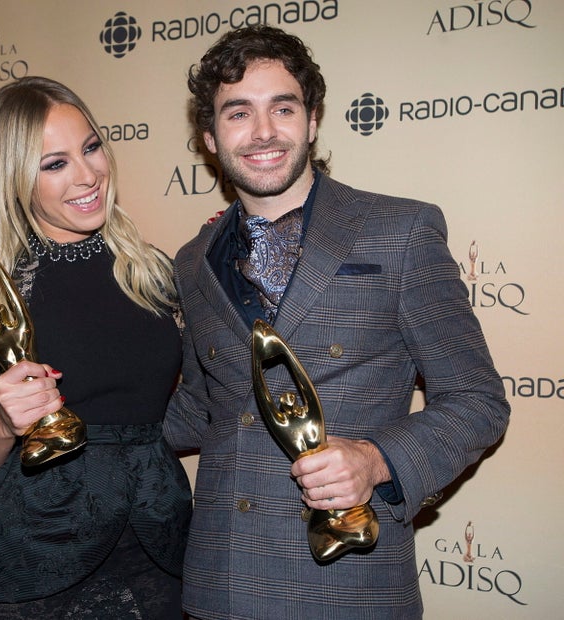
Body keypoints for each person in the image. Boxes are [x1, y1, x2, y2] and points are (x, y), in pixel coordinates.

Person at [163, 25, 510, 619]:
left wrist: (375, 460)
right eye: (238, 112)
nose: (264, 131)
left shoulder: (400, 231)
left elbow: (477, 402)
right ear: (210, 137)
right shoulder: (192, 262)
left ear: (313, 119)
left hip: (349, 582)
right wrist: (89, 416)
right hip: (220, 582)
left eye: (283, 107)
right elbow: (200, 409)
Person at [0, 76, 191, 619]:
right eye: (54, 164)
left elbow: (200, 401)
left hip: (153, 540)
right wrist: (5, 426)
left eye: (91, 147)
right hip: (38, 546)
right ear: (13, 179)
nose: (87, 175)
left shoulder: (153, 273)